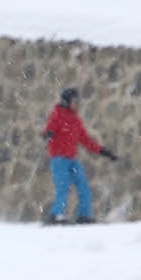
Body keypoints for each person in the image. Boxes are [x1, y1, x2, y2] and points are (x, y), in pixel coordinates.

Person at [41, 87, 117, 225]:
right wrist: (49, 133)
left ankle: (84, 215)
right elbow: (49, 128)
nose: (77, 104)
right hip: (59, 159)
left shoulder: (75, 120)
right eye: (74, 101)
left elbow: (86, 140)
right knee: (63, 186)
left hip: (71, 160)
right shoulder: (58, 114)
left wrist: (103, 151)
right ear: (66, 101)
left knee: (83, 186)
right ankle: (57, 215)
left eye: (78, 101)